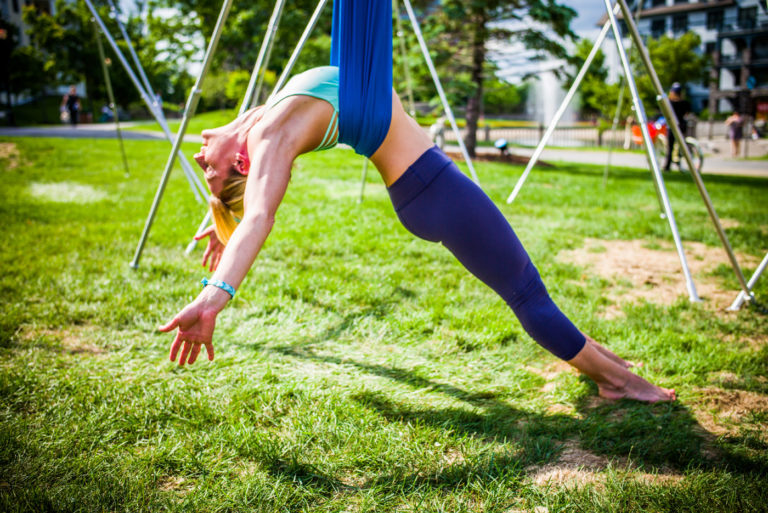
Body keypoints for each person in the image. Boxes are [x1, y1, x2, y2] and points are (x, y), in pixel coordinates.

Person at [159, 66, 675, 403]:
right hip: (433, 191)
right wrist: (213, 296)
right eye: (209, 168)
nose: (201, 153)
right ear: (243, 162)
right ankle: (617, 382)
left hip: (426, 187)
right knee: (525, 292)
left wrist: (217, 211)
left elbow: (236, 198)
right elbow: (258, 216)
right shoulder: (270, 138)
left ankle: (599, 358)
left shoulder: (256, 122)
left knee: (526, 287)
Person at [663, 82, 690, 171]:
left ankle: (667, 166)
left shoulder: (669, 103)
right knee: (680, 146)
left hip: (672, 126)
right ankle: (678, 162)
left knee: (670, 147)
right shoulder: (685, 103)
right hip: (682, 126)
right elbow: (687, 114)